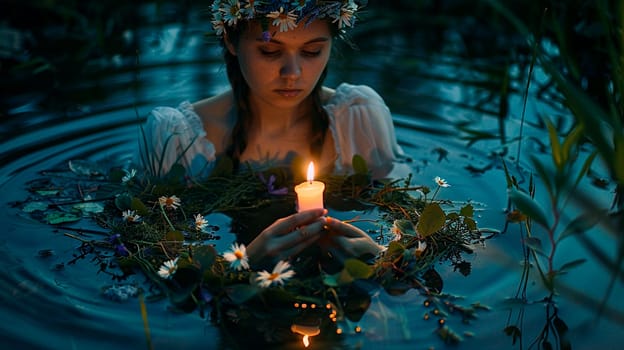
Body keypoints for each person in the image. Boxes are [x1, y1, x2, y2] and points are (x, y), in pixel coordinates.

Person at [140, 0, 409, 268]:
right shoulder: (177, 138)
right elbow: (150, 252)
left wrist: (381, 255)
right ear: (231, 41)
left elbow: (407, 217)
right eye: (269, 51)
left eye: (312, 51)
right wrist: (244, 265)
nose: (292, 73)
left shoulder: (357, 120)